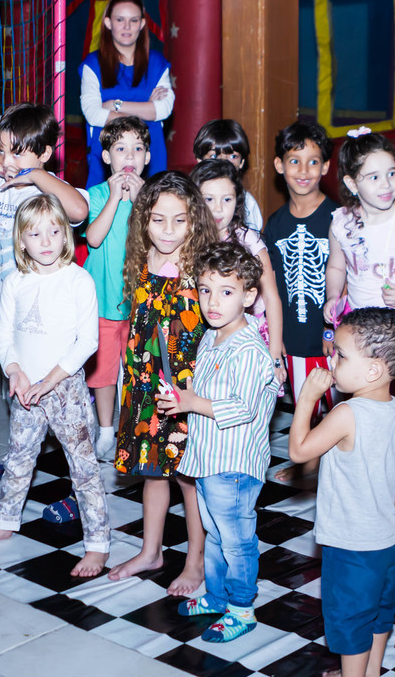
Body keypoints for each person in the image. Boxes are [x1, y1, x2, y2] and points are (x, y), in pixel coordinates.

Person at [0, 195, 109, 577]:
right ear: (21, 240)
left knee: (84, 467)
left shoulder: (78, 280)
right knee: (18, 457)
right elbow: (4, 331)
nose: (46, 241)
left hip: (65, 390)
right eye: (35, 233)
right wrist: (14, 370)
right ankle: (5, 520)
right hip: (26, 390)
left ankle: (97, 544)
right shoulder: (14, 281)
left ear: (65, 236)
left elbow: (88, 342)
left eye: (54, 231)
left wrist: (50, 380)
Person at [160, 242, 278, 643]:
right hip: (210, 456)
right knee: (214, 532)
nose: (213, 302)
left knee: (237, 538)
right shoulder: (212, 336)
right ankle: (217, 594)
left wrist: (193, 401)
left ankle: (242, 609)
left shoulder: (248, 349)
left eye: (226, 292)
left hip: (235, 463)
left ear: (249, 296)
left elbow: (241, 407)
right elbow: (207, 391)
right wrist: (184, 398)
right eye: (206, 290)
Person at [288, 308, 395, 677]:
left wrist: (308, 398)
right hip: (387, 541)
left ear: (373, 370)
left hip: (351, 546)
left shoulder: (348, 413)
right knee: (378, 612)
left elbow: (299, 451)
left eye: (341, 355)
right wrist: (384, 515)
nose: (332, 357)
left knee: (350, 622)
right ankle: (370, 671)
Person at [109, 171, 217, 593]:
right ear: (143, 222)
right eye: (157, 220)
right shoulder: (142, 258)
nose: (168, 231)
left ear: (195, 221)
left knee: (188, 479)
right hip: (143, 384)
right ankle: (151, 551)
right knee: (153, 473)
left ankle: (195, 560)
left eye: (180, 220)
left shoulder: (199, 266)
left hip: (183, 390)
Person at [0, 102, 89, 316]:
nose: (6, 161)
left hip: (46, 307)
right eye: (0, 151)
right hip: (5, 304)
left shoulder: (50, 190)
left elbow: (79, 210)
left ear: (44, 154)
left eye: (16, 153)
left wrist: (35, 175)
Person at [263, 120, 339, 482]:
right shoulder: (274, 225)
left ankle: (333, 467)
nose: (304, 171)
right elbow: (271, 288)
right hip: (293, 338)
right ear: (279, 165)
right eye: (294, 161)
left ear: (326, 166)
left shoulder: (338, 219)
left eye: (313, 162)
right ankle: (308, 463)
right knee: (304, 405)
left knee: (338, 407)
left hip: (330, 338)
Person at [84, 116, 151, 462]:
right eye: (120, 148)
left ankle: (133, 424)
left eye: (137, 148)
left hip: (140, 304)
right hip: (102, 304)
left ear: (147, 157)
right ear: (107, 157)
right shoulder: (96, 195)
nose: (129, 155)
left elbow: (157, 244)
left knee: (139, 368)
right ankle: (105, 428)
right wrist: (114, 197)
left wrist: (141, 203)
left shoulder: (152, 200)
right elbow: (94, 238)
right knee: (103, 372)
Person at [190, 158, 286, 385]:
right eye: (209, 199)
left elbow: (272, 297)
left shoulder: (248, 240)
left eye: (227, 199)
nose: (218, 208)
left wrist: (275, 354)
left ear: (238, 201)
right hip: (204, 331)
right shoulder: (189, 240)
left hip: (246, 333)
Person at [323, 129, 395, 323]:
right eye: (374, 177)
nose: (386, 184)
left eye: (391, 173)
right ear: (352, 184)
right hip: (357, 322)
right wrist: (332, 296)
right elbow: (336, 268)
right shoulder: (341, 223)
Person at [80, 0, 174, 186]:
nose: (127, 26)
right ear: (108, 22)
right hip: (106, 155)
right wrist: (146, 108)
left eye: (133, 20)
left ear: (142, 24)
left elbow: (164, 109)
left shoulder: (157, 63)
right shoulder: (92, 64)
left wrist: (115, 106)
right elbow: (93, 114)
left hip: (150, 153)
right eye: (120, 20)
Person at [193, 119, 263, 231]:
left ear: (242, 163)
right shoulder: (188, 197)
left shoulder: (248, 204)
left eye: (233, 157)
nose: (224, 162)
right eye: (214, 156)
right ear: (200, 161)